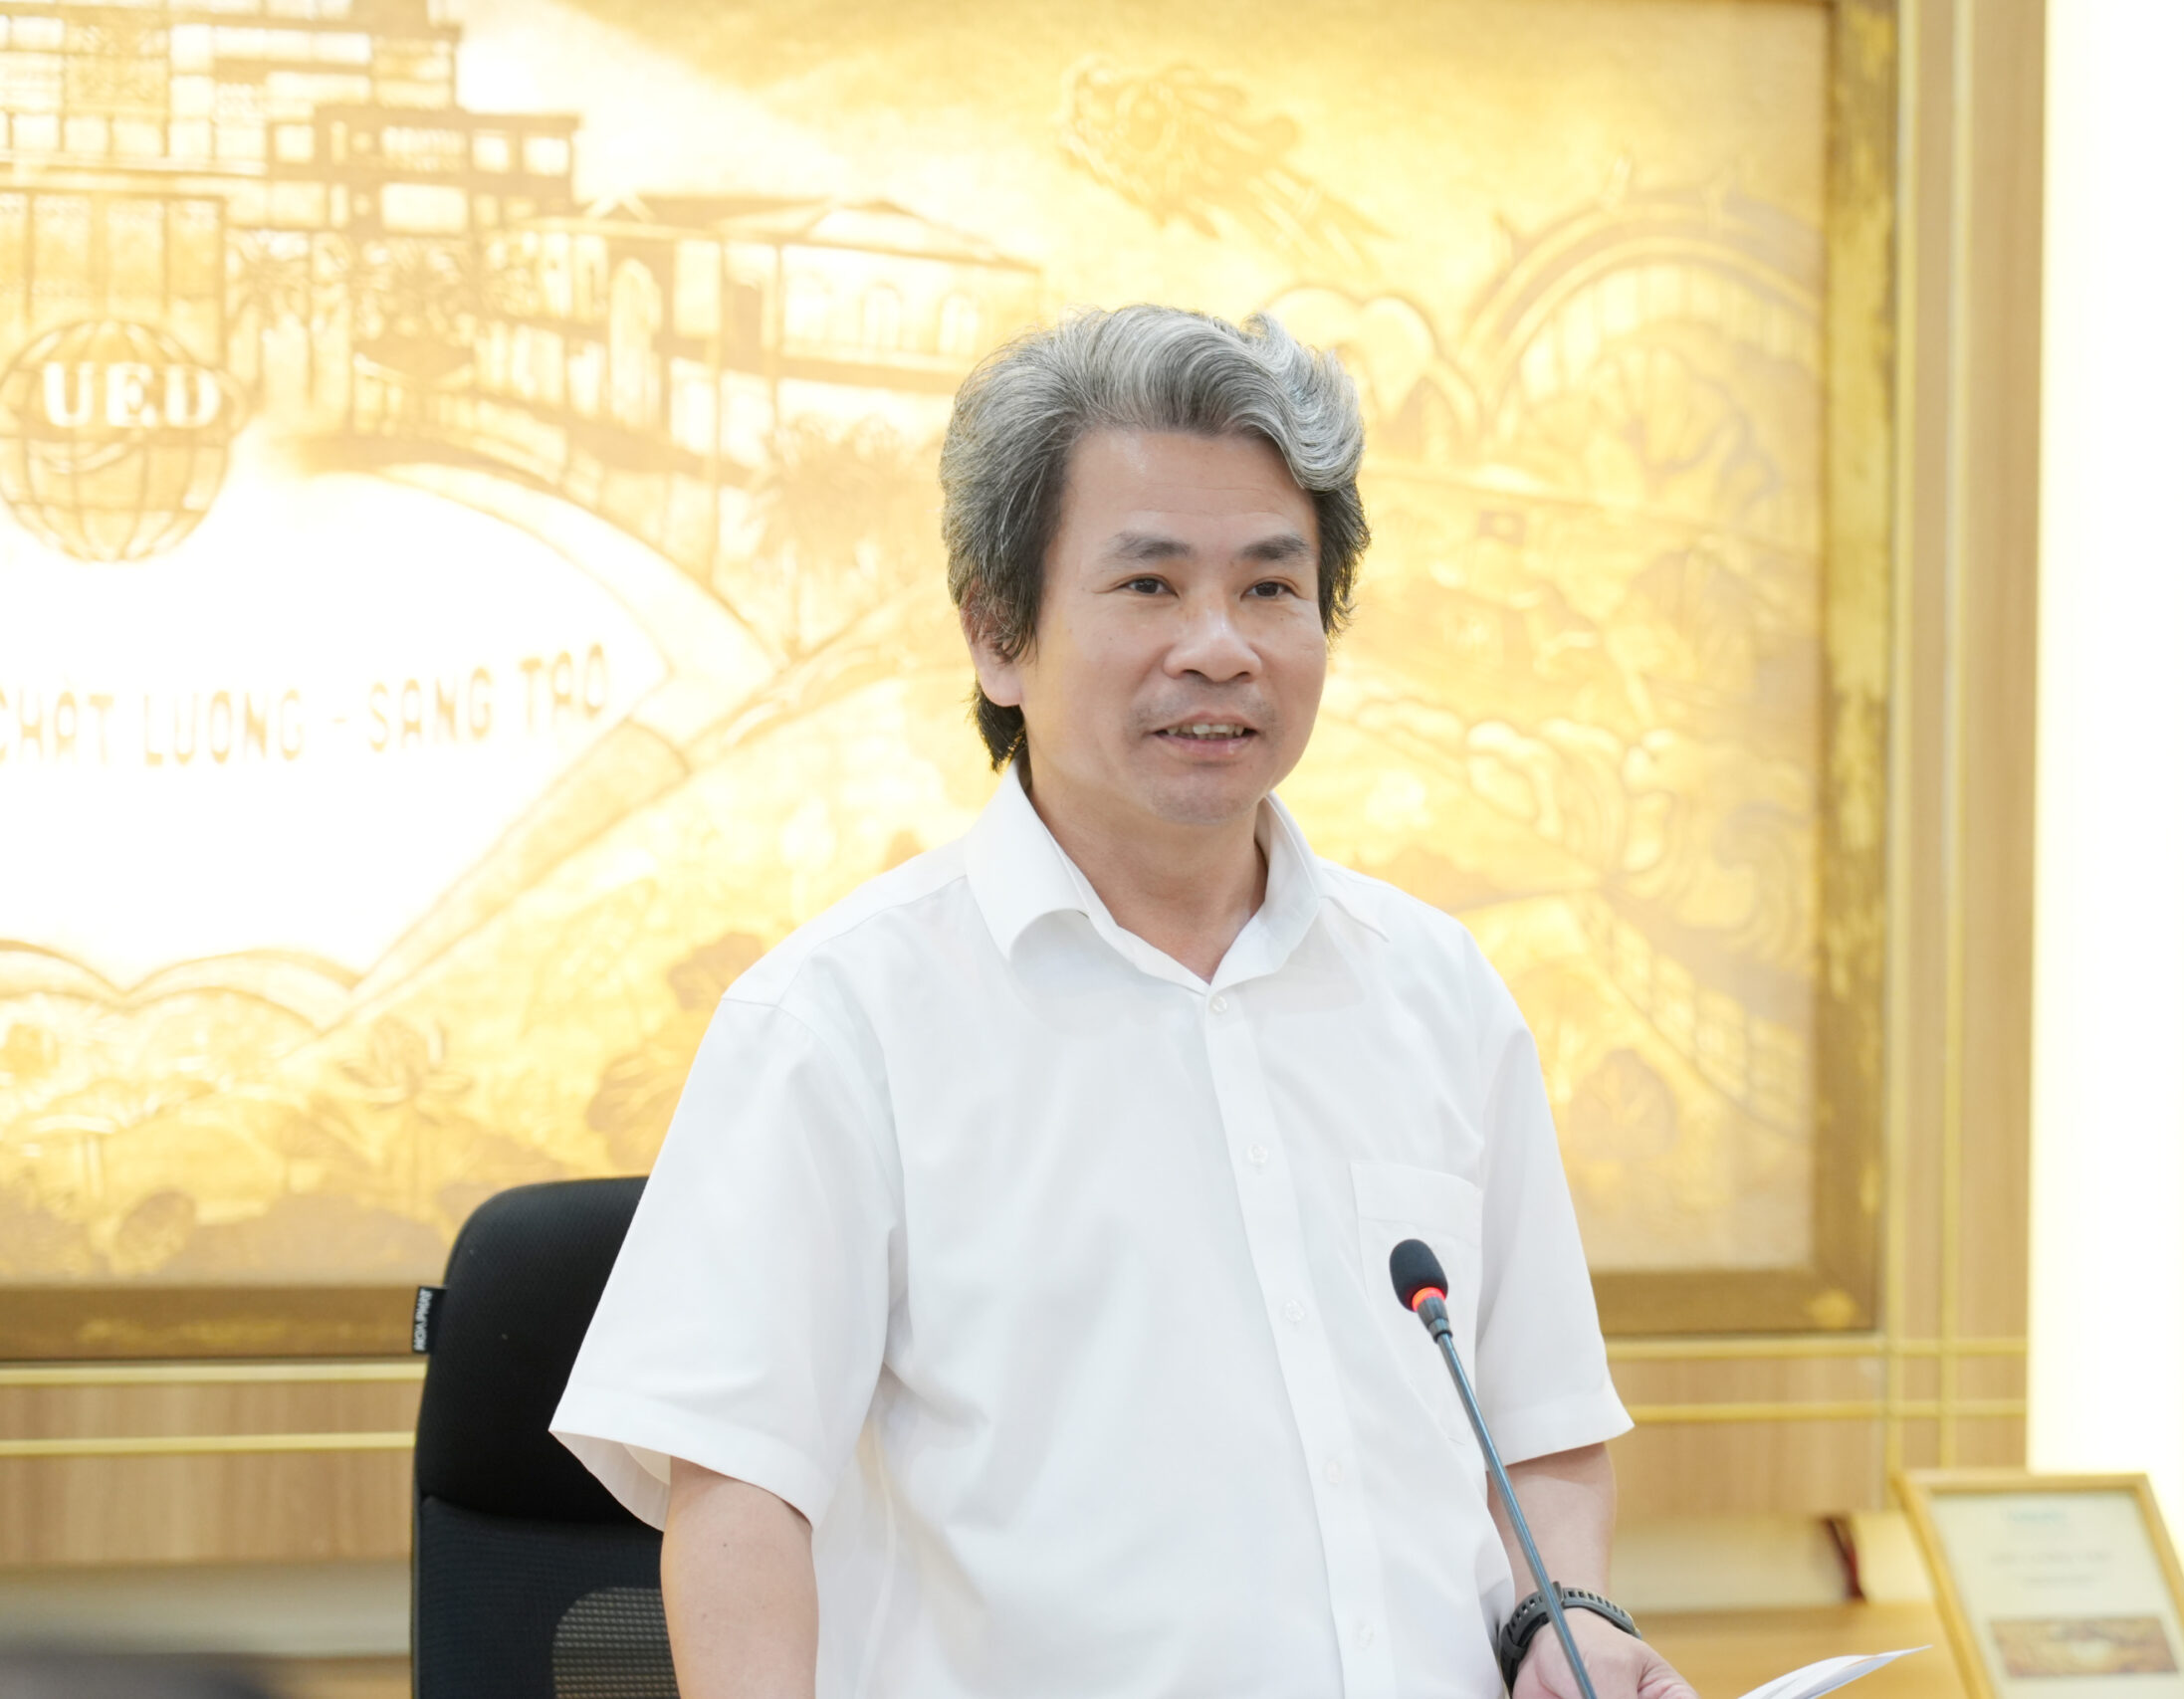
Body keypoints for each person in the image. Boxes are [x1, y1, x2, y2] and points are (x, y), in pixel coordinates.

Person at [551, 307, 1699, 1699]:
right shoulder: (836, 1022)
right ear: (998, 636)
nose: (1220, 648)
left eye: (1272, 588)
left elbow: (1539, 1430)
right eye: (1150, 585)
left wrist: (1565, 1622)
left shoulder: (1437, 990)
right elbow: (740, 1496)